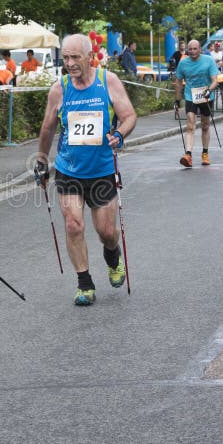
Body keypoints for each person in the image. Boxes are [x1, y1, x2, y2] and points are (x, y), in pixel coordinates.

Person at [36, 33, 137, 306]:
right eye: (65, 57)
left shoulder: (108, 81)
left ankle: (112, 255)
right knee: (73, 224)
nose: (69, 63)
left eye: (75, 57)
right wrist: (42, 160)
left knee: (106, 231)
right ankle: (84, 283)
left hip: (102, 170)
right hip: (69, 170)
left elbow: (128, 116)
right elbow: (48, 127)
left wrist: (120, 133)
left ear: (89, 56)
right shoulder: (60, 88)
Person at [174, 39, 219, 167]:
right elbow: (178, 82)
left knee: (205, 125)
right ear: (187, 50)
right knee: (190, 125)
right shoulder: (183, 63)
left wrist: (209, 90)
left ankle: (205, 153)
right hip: (190, 95)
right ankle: (188, 155)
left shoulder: (208, 60)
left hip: (206, 95)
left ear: (200, 49)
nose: (193, 51)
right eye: (190, 49)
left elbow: (215, 80)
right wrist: (177, 100)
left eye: (195, 49)